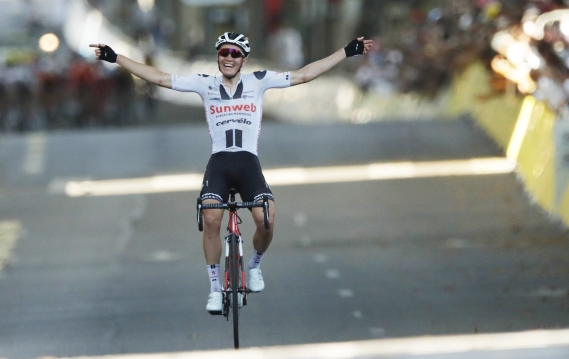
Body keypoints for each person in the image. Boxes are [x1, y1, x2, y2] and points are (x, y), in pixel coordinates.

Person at [89, 32, 372, 313]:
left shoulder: (258, 81)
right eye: (223, 53)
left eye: (235, 54)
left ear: (244, 60)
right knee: (211, 219)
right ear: (217, 57)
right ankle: (214, 288)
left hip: (248, 164)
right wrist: (116, 58)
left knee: (267, 220)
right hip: (220, 164)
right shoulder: (205, 83)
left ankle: (254, 266)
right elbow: (160, 78)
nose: (228, 58)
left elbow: (303, 75)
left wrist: (347, 51)